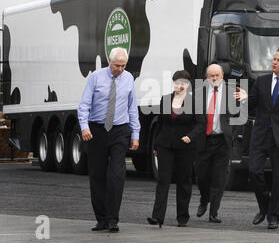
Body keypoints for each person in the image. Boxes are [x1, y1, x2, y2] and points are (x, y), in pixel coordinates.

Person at [235, 47, 279, 229]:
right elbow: (251, 105)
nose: (274, 62)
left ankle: (273, 216)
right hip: (260, 135)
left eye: (278, 60)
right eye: (274, 59)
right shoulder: (261, 81)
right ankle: (264, 205)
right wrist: (244, 98)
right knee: (254, 171)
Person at [78, 47, 140, 232]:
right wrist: (84, 127)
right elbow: (84, 105)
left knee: (116, 175)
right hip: (97, 130)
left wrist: (135, 134)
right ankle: (102, 219)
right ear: (109, 62)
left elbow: (132, 108)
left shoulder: (128, 78)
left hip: (119, 130)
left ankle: (113, 219)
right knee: (97, 175)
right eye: (116, 65)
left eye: (123, 66)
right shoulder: (96, 77)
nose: (120, 69)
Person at [147, 70, 204, 227]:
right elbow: (159, 123)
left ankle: (182, 216)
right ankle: (157, 217)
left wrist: (190, 136)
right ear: (173, 83)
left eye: (183, 83)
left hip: (185, 147)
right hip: (165, 145)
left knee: (184, 181)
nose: (180, 86)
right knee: (163, 180)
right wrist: (155, 145)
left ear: (188, 85)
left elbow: (200, 124)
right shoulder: (165, 99)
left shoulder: (194, 102)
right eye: (177, 82)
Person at [195, 64, 235, 223]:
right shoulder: (199, 94)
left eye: (217, 75)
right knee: (201, 176)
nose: (214, 78)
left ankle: (214, 212)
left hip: (222, 141)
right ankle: (204, 199)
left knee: (219, 178)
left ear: (222, 76)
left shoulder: (232, 93)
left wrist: (233, 133)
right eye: (211, 75)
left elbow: (241, 113)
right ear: (206, 77)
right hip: (204, 140)